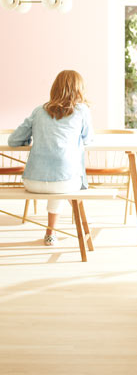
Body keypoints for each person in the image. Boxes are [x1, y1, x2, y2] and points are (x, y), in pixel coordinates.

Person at [8, 70, 93, 246]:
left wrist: (31, 137)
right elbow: (88, 139)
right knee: (63, 182)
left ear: (54, 88)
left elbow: (13, 140)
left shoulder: (39, 111)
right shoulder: (81, 111)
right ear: (79, 89)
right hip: (64, 182)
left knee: (59, 180)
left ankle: (51, 233)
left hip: (32, 182)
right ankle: (76, 225)